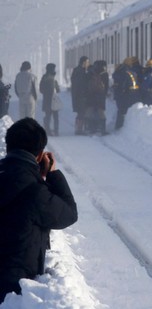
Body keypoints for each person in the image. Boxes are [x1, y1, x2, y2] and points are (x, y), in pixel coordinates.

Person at [0, 118, 78, 303]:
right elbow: (68, 214)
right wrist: (52, 174)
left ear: (8, 145)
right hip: (15, 290)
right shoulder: (35, 192)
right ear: (39, 155)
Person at [113, 57, 141, 130]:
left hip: (125, 94)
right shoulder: (132, 72)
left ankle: (119, 126)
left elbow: (121, 84)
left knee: (121, 110)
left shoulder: (122, 72)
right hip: (134, 94)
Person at [85, 61, 109, 135]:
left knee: (90, 111)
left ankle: (90, 128)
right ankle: (102, 129)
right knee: (100, 112)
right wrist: (104, 94)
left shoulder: (90, 72)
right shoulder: (104, 74)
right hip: (100, 95)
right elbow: (106, 86)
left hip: (91, 95)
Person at [38, 63, 60, 136]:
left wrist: (46, 92)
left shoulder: (44, 77)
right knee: (55, 116)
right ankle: (55, 131)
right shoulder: (53, 78)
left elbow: (41, 89)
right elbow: (58, 89)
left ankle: (48, 130)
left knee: (48, 116)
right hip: (53, 100)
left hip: (47, 99)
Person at [70, 56, 90, 134]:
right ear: (84, 62)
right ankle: (79, 129)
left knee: (81, 112)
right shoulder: (80, 71)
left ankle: (79, 129)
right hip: (81, 96)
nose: (88, 64)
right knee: (82, 112)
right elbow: (81, 84)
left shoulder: (78, 70)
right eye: (87, 62)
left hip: (78, 95)